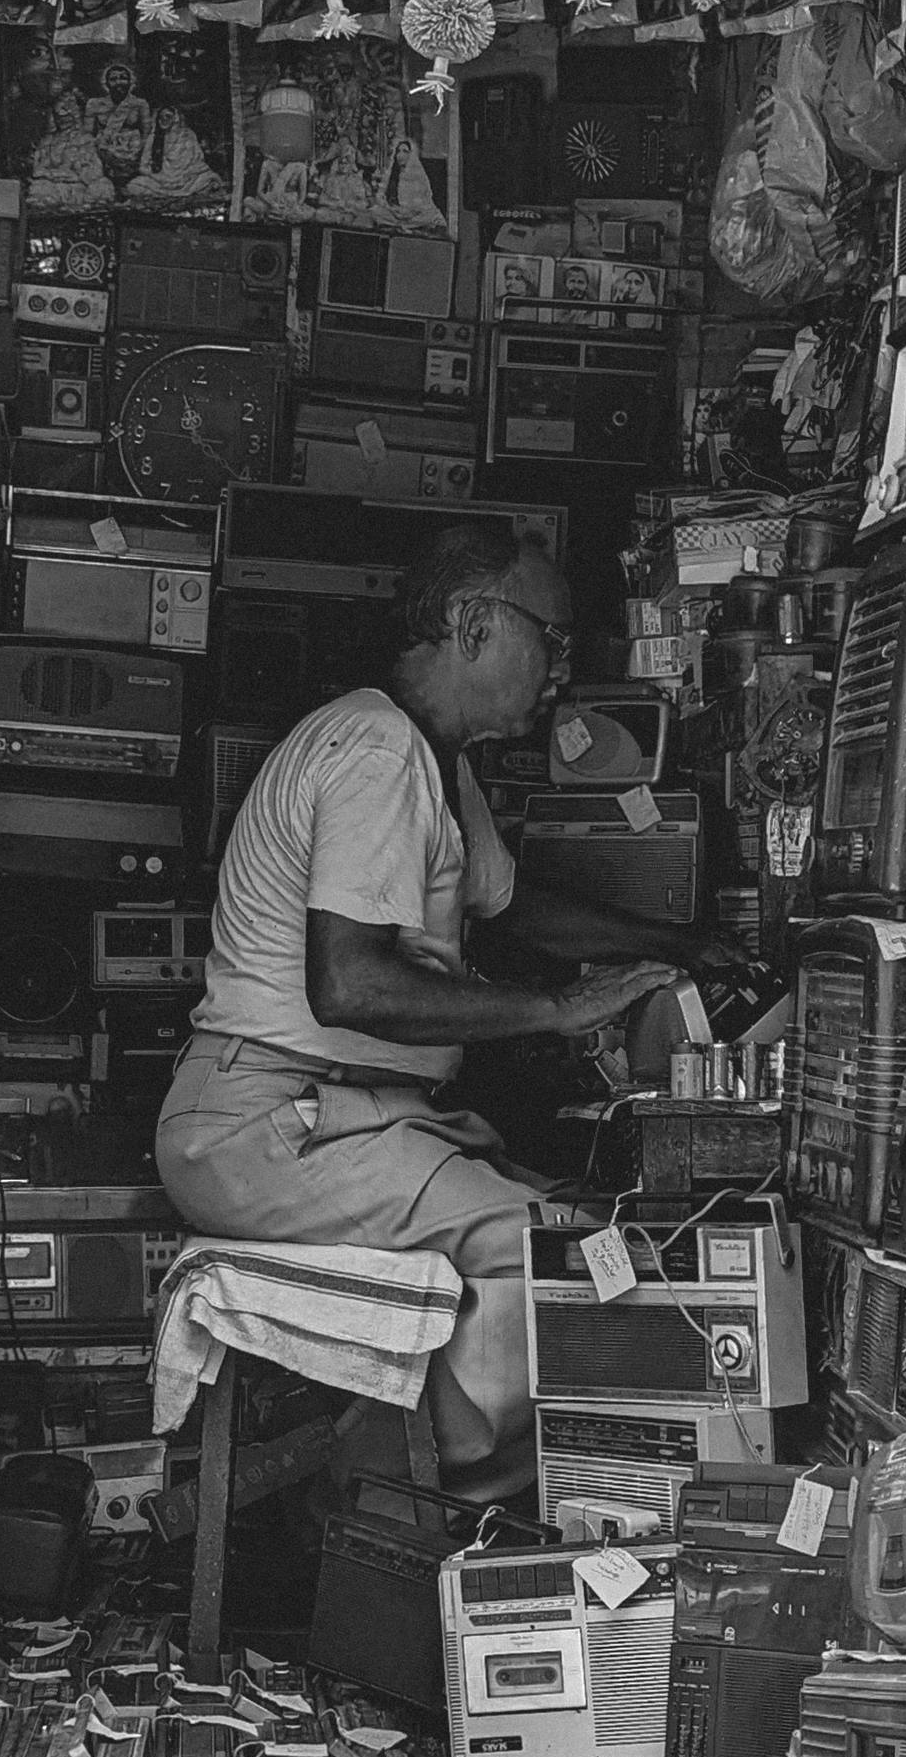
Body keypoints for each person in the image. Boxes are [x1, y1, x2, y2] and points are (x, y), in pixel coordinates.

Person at [154, 521, 689, 1498]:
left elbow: (509, 900)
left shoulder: (438, 761)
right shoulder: (375, 750)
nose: (564, 666)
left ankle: (443, 1489)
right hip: (269, 1123)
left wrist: (673, 947)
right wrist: (551, 1009)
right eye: (551, 636)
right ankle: (445, 1517)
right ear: (470, 621)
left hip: (335, 1119)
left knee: (590, 1227)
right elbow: (349, 985)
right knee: (551, 1254)